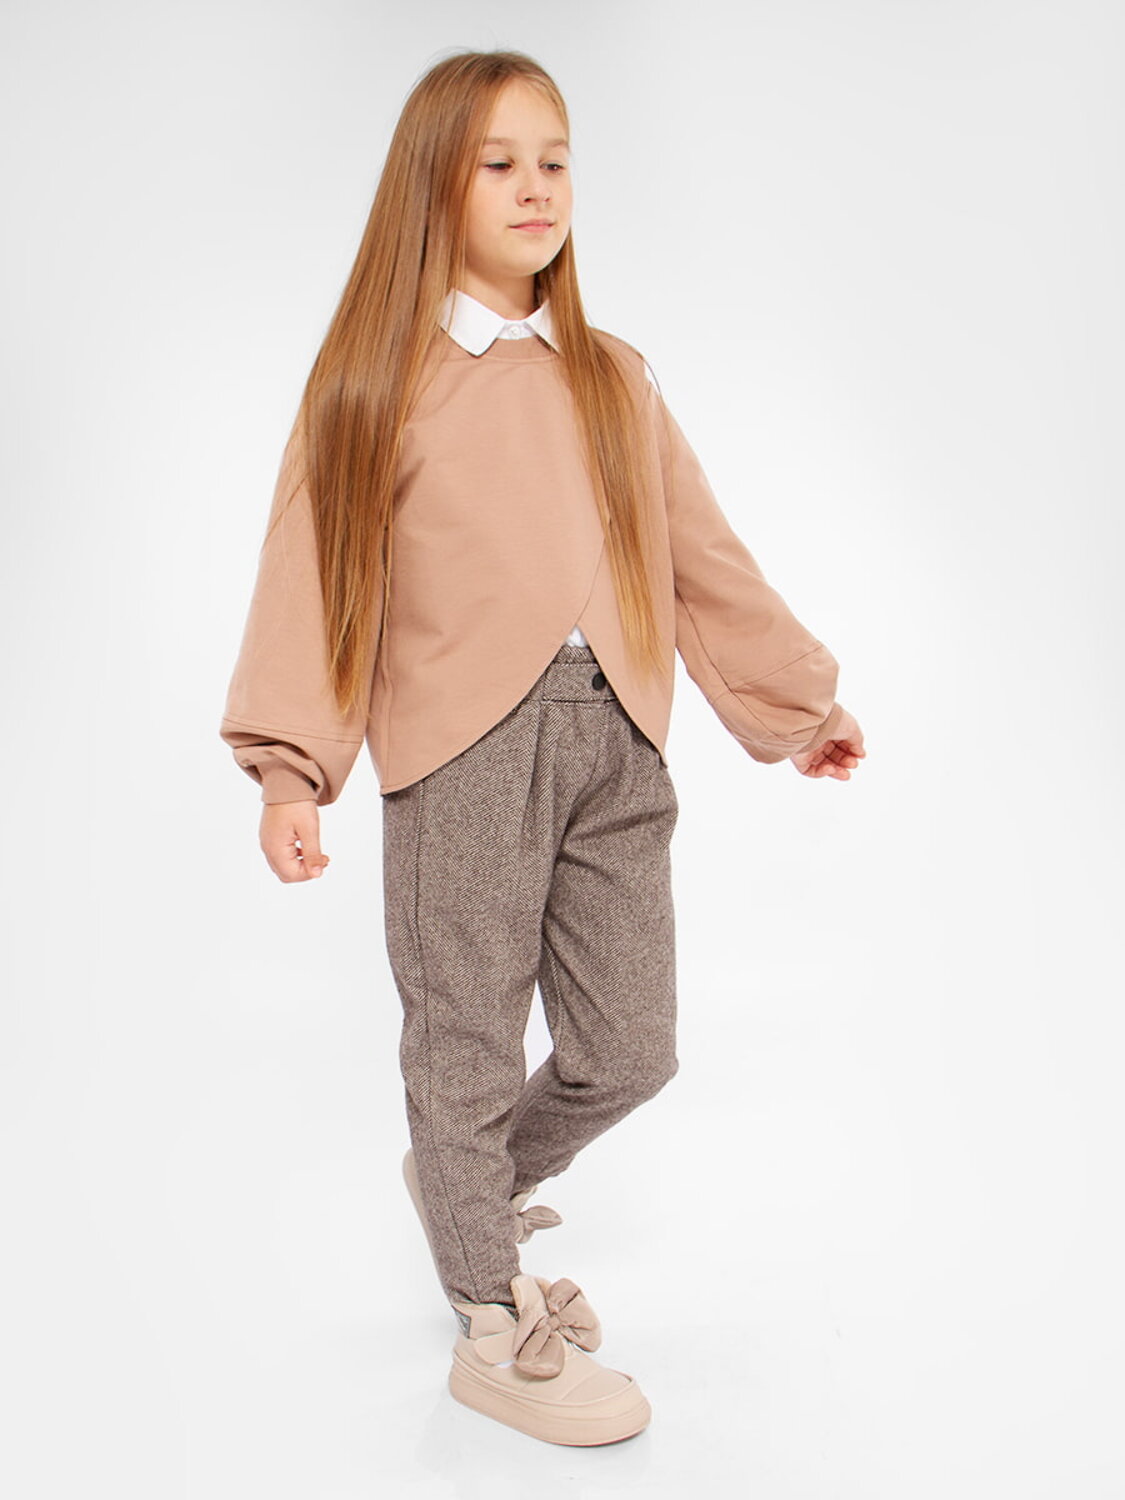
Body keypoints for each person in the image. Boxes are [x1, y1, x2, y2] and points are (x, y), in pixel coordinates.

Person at [218, 47, 866, 1448]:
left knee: (630, 1045)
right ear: (433, 189)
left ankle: (465, 1186)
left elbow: (701, 560)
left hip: (618, 742)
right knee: (463, 1038)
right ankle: (489, 1319)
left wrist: (795, 706)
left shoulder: (614, 378)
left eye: (554, 160)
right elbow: (318, 581)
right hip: (463, 749)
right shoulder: (376, 384)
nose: (535, 187)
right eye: (498, 163)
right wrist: (290, 767)